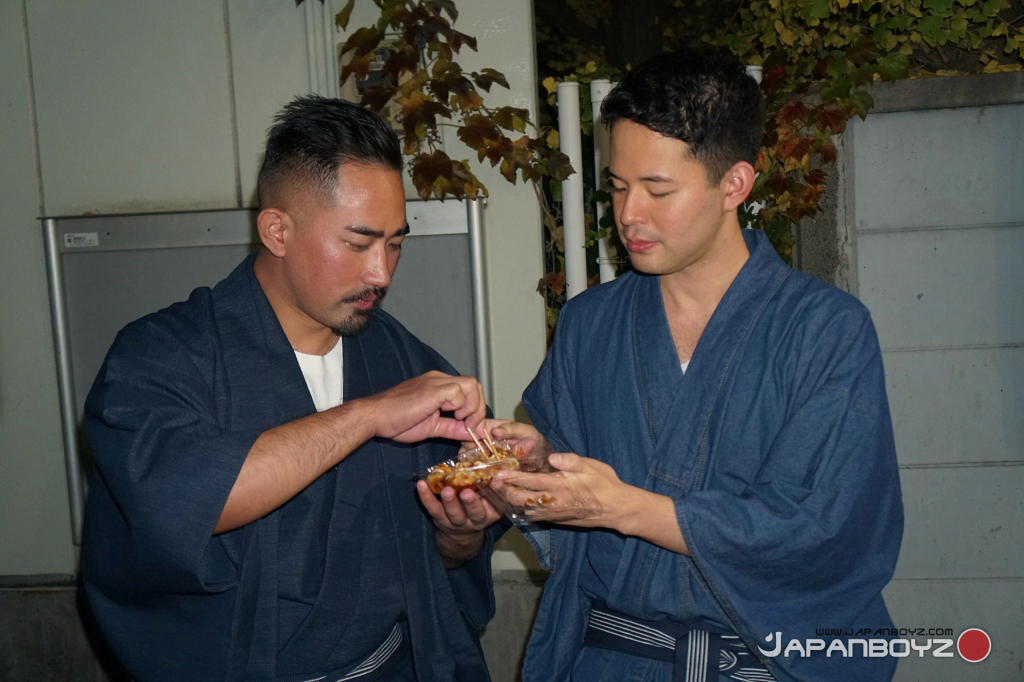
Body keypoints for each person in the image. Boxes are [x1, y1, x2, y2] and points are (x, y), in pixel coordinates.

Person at [485, 48, 904, 681]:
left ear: (734, 184)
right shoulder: (589, 324)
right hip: (612, 662)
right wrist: (535, 465)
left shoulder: (825, 331)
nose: (628, 214)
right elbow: (568, 507)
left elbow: (826, 531)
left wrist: (626, 508)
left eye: (657, 190)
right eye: (618, 187)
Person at [80, 95, 504, 682]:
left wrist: (461, 533)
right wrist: (369, 415)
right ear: (277, 230)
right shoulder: (160, 358)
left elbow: (449, 558)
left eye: (395, 242)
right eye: (357, 243)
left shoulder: (402, 359)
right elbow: (196, 501)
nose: (381, 272)